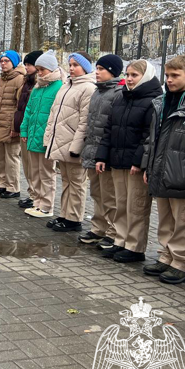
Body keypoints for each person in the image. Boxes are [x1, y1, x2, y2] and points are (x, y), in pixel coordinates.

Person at [142, 55, 185, 284]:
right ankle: (166, 256)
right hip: (161, 171)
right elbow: (153, 139)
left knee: (183, 221)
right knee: (166, 219)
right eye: (167, 75)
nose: (169, 80)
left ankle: (181, 262)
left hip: (184, 174)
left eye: (175, 76)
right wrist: (150, 165)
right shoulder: (162, 101)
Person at [94, 60, 161, 262]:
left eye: (134, 75)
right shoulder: (122, 97)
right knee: (120, 203)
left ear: (145, 76)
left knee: (136, 206)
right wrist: (102, 155)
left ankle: (135, 246)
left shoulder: (153, 100)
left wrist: (139, 160)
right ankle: (120, 240)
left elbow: (148, 135)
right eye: (128, 74)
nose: (129, 79)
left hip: (135, 164)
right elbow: (109, 128)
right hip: (117, 159)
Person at [43, 52, 96, 232]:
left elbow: (84, 122)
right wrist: (48, 138)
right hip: (61, 142)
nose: (71, 68)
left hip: (74, 145)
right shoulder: (67, 86)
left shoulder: (88, 88)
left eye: (76, 65)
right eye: (70, 64)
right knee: (66, 181)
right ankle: (65, 213)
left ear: (86, 68)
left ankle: (74, 218)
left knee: (76, 182)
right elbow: (54, 115)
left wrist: (76, 146)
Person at [78, 54, 124, 247]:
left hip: (105, 153)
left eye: (101, 69)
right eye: (96, 69)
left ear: (112, 71)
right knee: (97, 193)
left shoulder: (118, 93)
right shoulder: (98, 91)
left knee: (109, 195)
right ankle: (99, 227)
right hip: (92, 149)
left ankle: (113, 231)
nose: (97, 73)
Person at [20, 51, 63, 218]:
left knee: (46, 173)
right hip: (33, 135)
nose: (39, 73)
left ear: (51, 69)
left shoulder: (58, 87)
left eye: (42, 69)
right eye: (37, 69)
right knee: (35, 172)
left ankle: (46, 205)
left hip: (46, 138)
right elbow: (28, 111)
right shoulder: (37, 88)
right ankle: (37, 201)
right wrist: (25, 130)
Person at [0, 50, 25, 199]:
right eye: (1, 61)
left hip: (10, 124)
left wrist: (15, 126)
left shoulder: (20, 79)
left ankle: (13, 187)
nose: (3, 63)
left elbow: (19, 105)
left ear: (14, 62)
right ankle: (3, 184)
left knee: (12, 156)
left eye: (6, 61)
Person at [14, 50, 42, 208]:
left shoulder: (38, 83)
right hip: (25, 127)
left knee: (35, 167)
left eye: (30, 64)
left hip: (35, 129)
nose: (27, 67)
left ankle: (37, 195)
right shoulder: (26, 81)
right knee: (27, 164)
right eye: (25, 64)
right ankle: (32, 193)